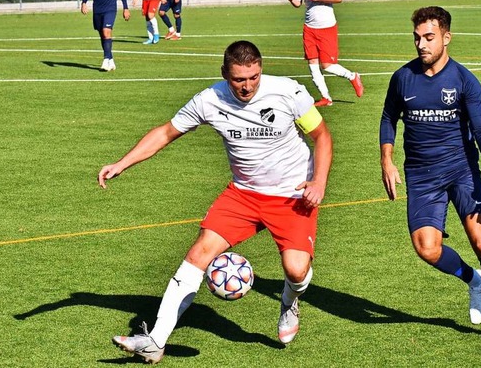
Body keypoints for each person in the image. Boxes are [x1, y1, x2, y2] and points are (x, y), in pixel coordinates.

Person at [100, 40, 333, 364]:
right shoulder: (209, 101)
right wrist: (122, 163)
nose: (247, 86)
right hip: (243, 195)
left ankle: (289, 300)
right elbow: (166, 133)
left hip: (292, 194)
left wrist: (319, 181)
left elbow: (321, 136)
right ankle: (155, 340)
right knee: (199, 253)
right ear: (225, 73)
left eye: (253, 77)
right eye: (239, 79)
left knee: (296, 270)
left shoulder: (287, 92)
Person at [379, 6, 481, 347]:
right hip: (422, 176)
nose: (421, 45)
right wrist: (387, 159)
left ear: (446, 37)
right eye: (417, 38)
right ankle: (473, 281)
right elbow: (388, 117)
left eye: (429, 38)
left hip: (462, 171)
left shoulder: (463, 80)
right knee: (427, 249)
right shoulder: (403, 78)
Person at [287, 0, 363, 107]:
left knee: (327, 66)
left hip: (326, 27)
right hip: (309, 28)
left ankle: (352, 76)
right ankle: (326, 98)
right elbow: (298, 3)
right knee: (312, 65)